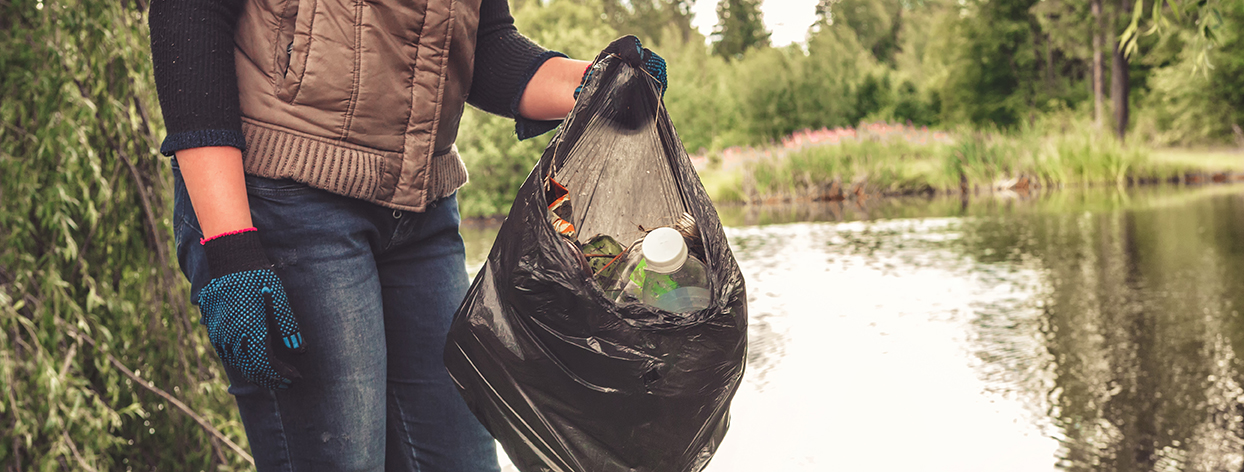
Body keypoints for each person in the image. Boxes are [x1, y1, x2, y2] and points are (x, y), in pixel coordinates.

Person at [147, 0, 666, 469]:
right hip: (287, 202)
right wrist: (230, 247)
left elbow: (478, 45)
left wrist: (601, 83)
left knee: (459, 459)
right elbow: (190, 16)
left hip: (422, 213)